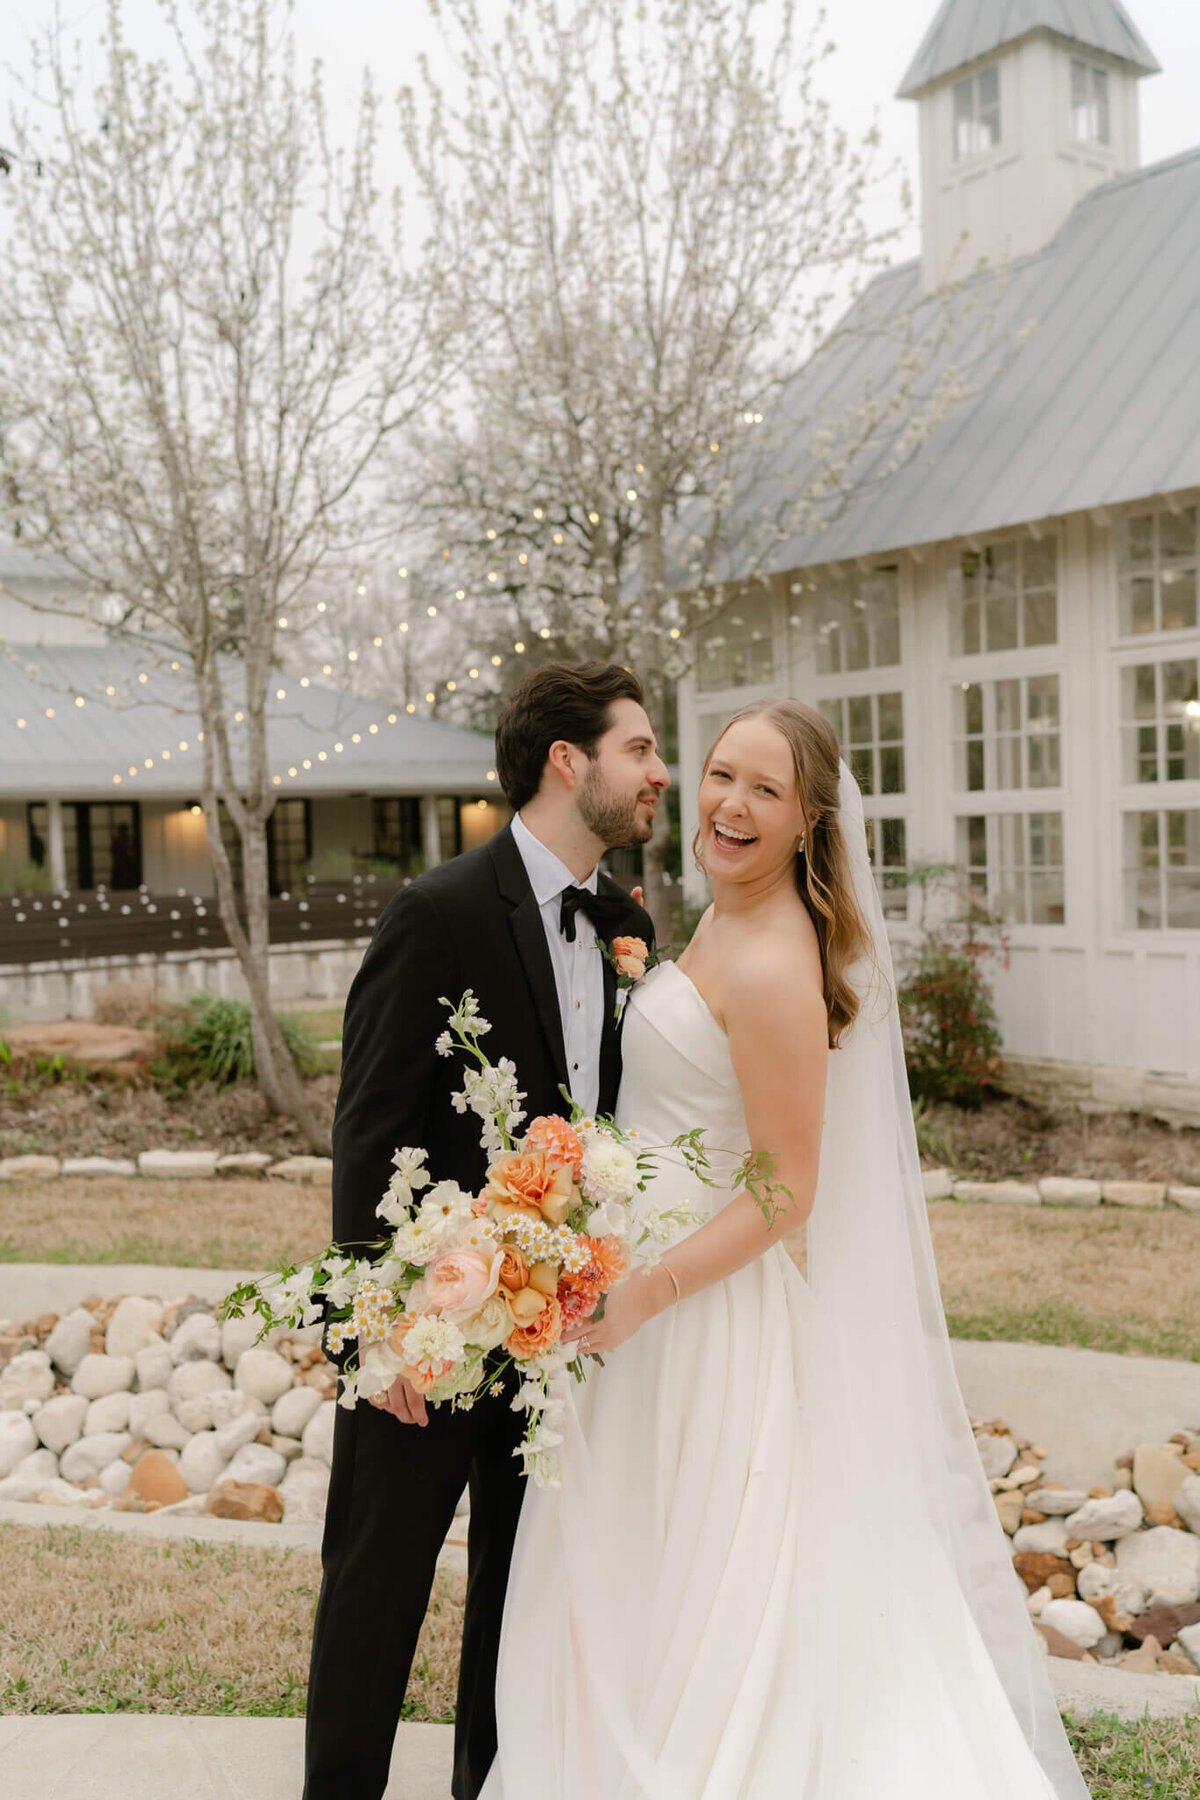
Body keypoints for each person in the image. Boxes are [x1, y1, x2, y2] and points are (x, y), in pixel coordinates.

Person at [481, 698, 1091, 1800]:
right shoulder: (718, 920)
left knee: (710, 1589)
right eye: (721, 774)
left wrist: (649, 1289)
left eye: (765, 789)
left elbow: (788, 1189)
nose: (728, 803)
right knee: (634, 1574)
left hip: (698, 1320)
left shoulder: (771, 964)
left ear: (812, 821)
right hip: (637, 1298)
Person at [302, 660, 669, 1800]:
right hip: (434, 1323)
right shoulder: (439, 912)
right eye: (640, 750)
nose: (659, 775)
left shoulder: (626, 923)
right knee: (377, 1588)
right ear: (570, 761)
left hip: (549, 1329)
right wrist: (373, 1328)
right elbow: (369, 1128)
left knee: (521, 1599)